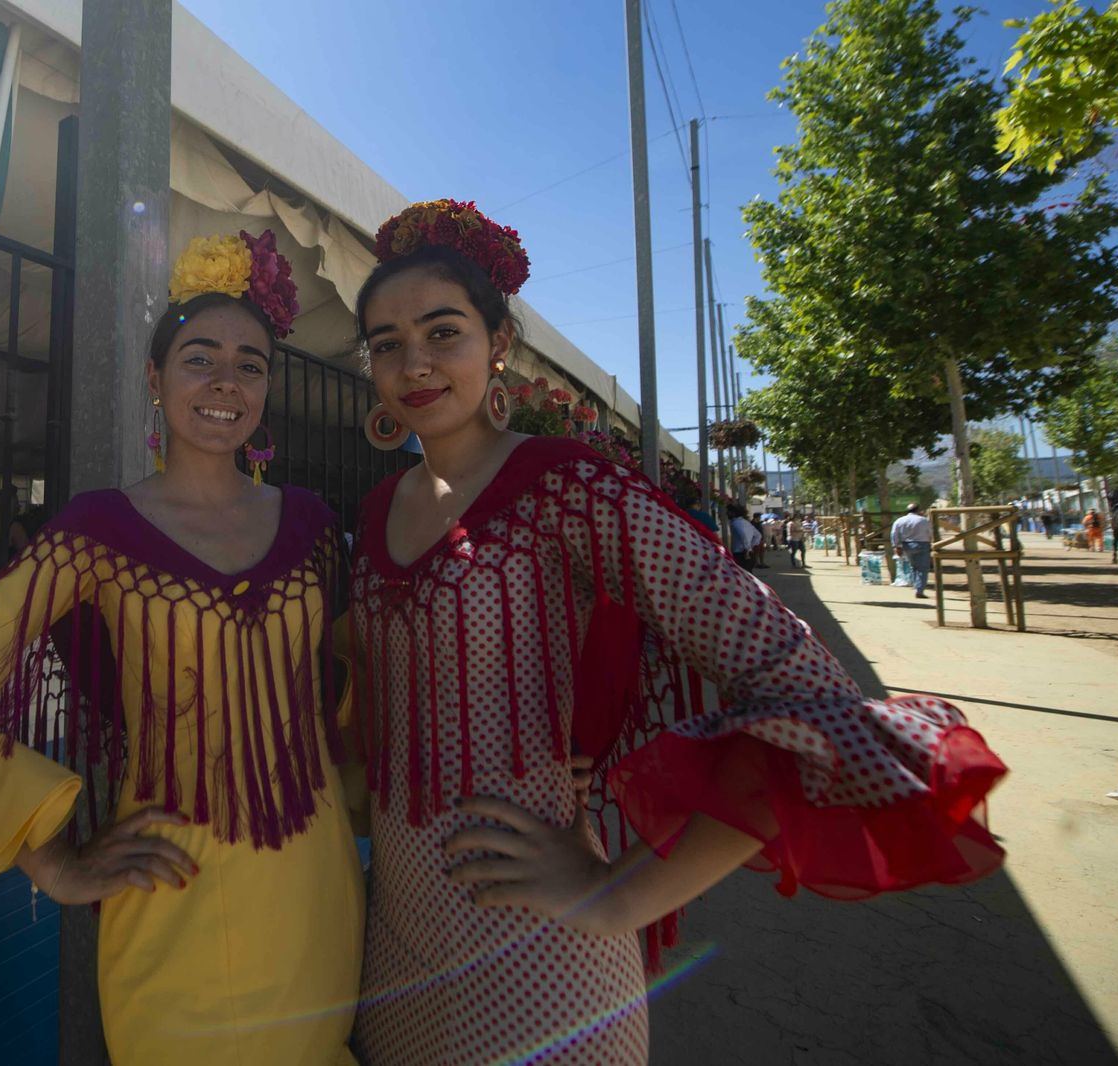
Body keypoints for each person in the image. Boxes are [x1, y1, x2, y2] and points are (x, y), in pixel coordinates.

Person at [344, 199, 1007, 1065]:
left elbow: (802, 688)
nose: (415, 363)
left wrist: (620, 897)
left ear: (498, 342)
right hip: (392, 947)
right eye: (387, 343)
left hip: (538, 964)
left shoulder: (566, 485)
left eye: (443, 332)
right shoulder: (377, 507)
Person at [0, 231, 365, 1064]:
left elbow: (371, 676)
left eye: (250, 364)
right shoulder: (96, 530)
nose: (225, 382)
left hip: (316, 887)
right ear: (154, 379)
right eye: (199, 357)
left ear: (267, 388)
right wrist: (59, 868)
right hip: (167, 884)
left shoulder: (316, 527)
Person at [890, 501, 934, 598]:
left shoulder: (900, 521)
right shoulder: (923, 520)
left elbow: (894, 534)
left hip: (907, 545)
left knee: (913, 566)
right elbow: (930, 532)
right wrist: (931, 542)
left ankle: (916, 585)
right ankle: (920, 590)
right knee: (923, 568)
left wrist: (896, 546)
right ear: (918, 510)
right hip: (923, 545)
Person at [727, 501, 761, 569]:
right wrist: (751, 546)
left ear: (733, 513)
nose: (727, 513)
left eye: (728, 512)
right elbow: (758, 535)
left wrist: (747, 548)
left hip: (741, 554)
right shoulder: (746, 522)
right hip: (749, 553)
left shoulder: (735, 523)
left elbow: (743, 535)